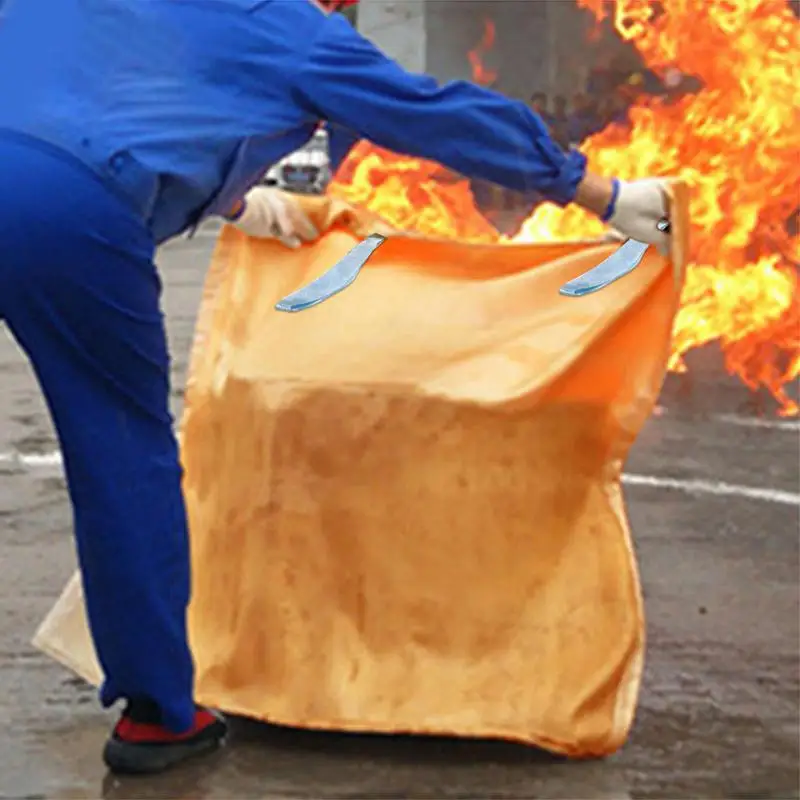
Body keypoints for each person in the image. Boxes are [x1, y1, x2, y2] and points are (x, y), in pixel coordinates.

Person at [0, 0, 671, 776]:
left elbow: (104, 101)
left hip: (50, 169)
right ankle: (159, 716)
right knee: (120, 455)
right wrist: (598, 193)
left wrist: (238, 201)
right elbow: (429, 114)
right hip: (62, 207)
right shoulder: (286, 26)